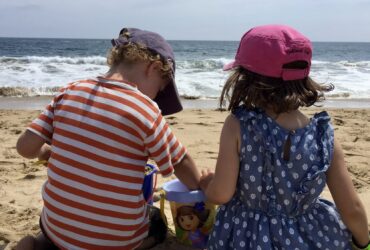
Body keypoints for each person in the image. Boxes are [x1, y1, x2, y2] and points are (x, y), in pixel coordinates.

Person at [15, 27, 201, 249]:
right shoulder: (145, 109)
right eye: (159, 90)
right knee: (156, 221)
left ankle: (35, 245)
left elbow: (25, 148)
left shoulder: (70, 91)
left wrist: (46, 152)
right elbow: (180, 161)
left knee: (55, 226)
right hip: (115, 241)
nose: (156, 98)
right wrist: (200, 187)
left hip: (56, 230)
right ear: (153, 67)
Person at [199, 24, 369, 249]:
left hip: (247, 235)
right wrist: (364, 242)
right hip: (310, 236)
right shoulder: (323, 134)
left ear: (246, 79)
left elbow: (221, 194)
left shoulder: (239, 124)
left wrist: (206, 185)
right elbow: (352, 209)